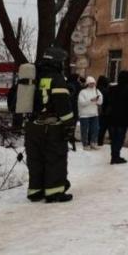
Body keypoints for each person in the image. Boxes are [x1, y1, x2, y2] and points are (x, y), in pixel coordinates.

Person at [24, 46, 75, 203]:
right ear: (56, 62)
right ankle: (54, 192)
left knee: (36, 159)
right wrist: (69, 125)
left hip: (32, 126)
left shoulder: (33, 76)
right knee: (55, 158)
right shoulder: (57, 78)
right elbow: (63, 106)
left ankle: (35, 190)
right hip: (51, 127)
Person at [106, 70, 128, 164]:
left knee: (113, 138)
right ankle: (116, 156)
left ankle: (114, 156)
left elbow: (107, 102)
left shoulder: (111, 89)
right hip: (123, 118)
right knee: (120, 138)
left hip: (111, 118)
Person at [77, 76, 103, 150]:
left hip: (94, 113)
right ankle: (85, 144)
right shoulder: (83, 92)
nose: (92, 84)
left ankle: (93, 142)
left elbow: (100, 102)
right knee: (84, 130)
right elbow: (82, 103)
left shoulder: (97, 91)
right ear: (87, 83)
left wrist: (97, 100)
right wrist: (91, 100)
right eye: (91, 83)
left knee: (95, 129)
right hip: (84, 114)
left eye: (93, 83)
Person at [96, 75, 111, 145]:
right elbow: (108, 101)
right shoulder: (106, 90)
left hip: (95, 111)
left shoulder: (95, 89)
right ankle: (99, 141)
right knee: (102, 127)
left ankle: (93, 139)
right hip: (104, 112)